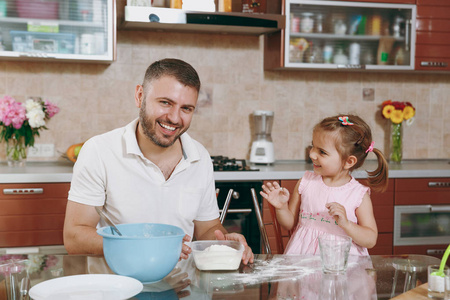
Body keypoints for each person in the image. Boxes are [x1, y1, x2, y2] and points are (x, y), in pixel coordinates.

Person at [63, 58, 253, 265]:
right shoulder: (99, 151)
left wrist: (224, 242)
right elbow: (74, 238)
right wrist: (144, 247)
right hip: (118, 285)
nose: (174, 118)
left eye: (186, 109)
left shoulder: (200, 156)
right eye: (165, 103)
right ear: (139, 96)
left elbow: (207, 228)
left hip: (183, 287)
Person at [261, 114, 389, 255]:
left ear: (349, 162)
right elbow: (288, 223)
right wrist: (281, 208)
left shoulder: (358, 194)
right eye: (313, 147)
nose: (312, 154)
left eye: (322, 152)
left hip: (343, 266)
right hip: (303, 261)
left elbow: (370, 240)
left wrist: (346, 224)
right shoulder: (306, 182)